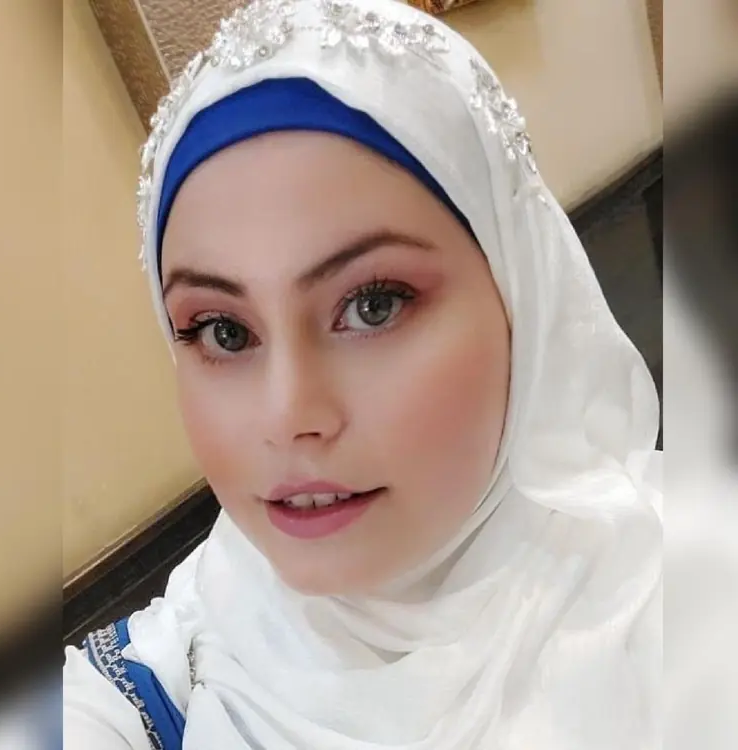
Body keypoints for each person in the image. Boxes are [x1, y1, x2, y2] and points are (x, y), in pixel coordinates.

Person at [63, 0, 662, 747]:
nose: (288, 415)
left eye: (373, 306)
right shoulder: (188, 646)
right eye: (224, 331)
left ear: (522, 298)